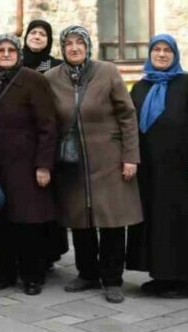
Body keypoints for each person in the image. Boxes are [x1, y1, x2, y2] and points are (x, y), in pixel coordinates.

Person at [45, 26, 141, 304]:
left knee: (112, 220)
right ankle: (87, 273)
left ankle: (112, 280)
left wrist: (130, 156)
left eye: (79, 43)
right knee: (80, 218)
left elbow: (127, 115)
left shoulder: (107, 72)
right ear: (62, 48)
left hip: (109, 158)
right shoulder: (52, 78)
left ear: (88, 46)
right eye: (69, 44)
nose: (74, 48)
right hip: (72, 160)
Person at [126, 34, 188, 298]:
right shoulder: (140, 87)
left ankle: (182, 279)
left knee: (181, 222)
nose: (162, 55)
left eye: (167, 51)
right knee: (155, 223)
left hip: (183, 172)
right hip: (150, 171)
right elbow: (130, 127)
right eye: (157, 50)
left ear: (175, 55)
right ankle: (160, 276)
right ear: (149, 54)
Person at [0, 34, 57, 296]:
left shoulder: (33, 80)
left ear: (19, 53)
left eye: (10, 50)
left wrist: (43, 165)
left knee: (28, 223)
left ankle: (32, 275)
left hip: (27, 166)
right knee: (0, 222)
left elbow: (47, 126)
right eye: (0, 50)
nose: (5, 54)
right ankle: (6, 272)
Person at [21, 18, 68, 270]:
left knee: (45, 201)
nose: (37, 37)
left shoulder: (56, 66)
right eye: (33, 32)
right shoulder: (14, 60)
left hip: (46, 138)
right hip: (18, 142)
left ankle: (48, 255)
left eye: (42, 34)